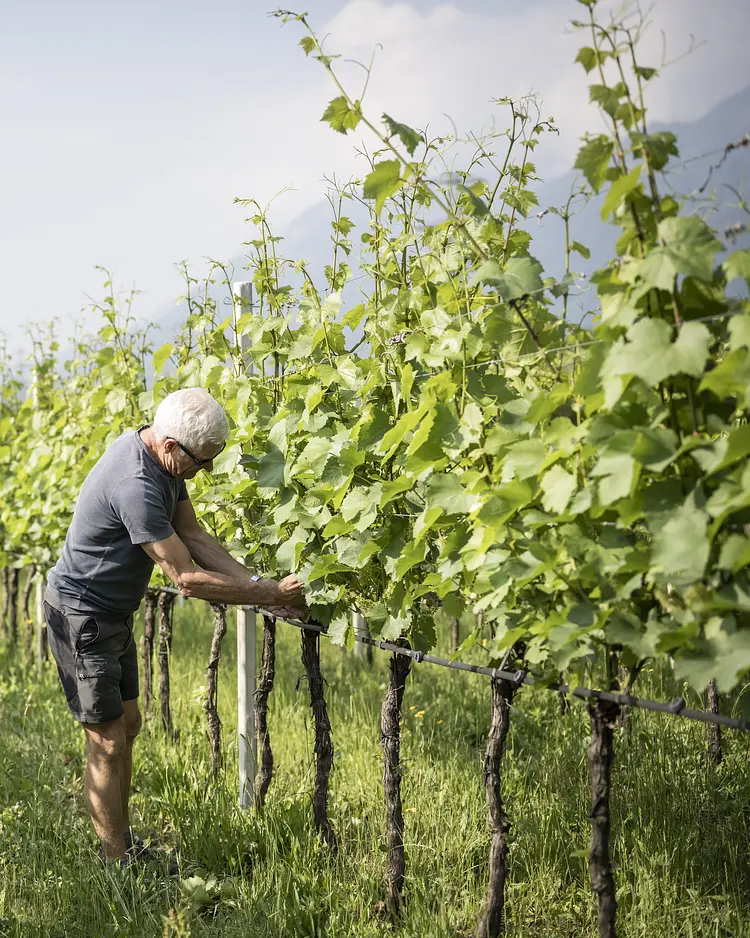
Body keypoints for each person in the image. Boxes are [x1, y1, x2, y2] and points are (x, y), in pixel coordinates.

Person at [43, 387, 305, 866]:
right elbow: (184, 577)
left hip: (113, 613)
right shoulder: (136, 484)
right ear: (170, 445)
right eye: (202, 462)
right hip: (82, 616)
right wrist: (269, 594)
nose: (205, 471)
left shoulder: (164, 461)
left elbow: (194, 535)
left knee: (129, 725)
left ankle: (122, 843)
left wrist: (257, 584)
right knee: (107, 739)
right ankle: (116, 863)